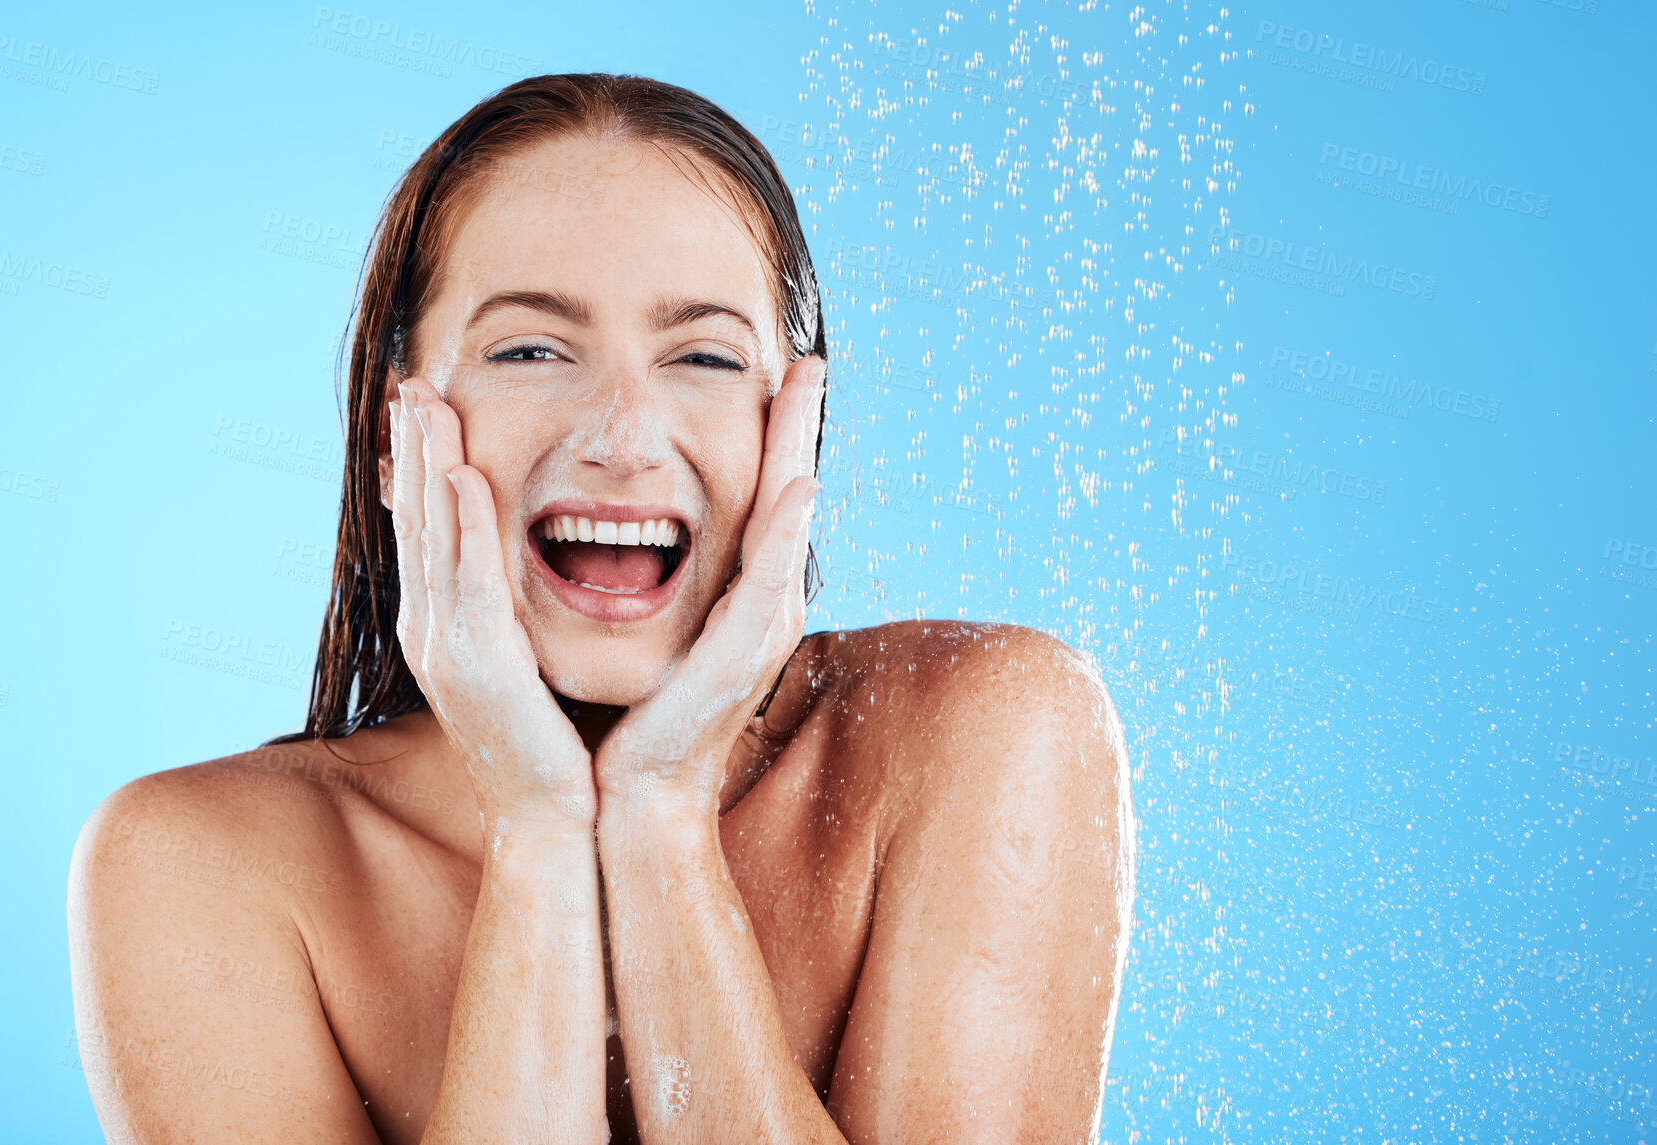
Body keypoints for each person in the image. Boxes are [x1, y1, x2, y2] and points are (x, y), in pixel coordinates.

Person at [67, 73, 1135, 1145]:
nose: (622, 436)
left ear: (794, 429)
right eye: (530, 349)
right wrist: (535, 834)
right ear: (396, 439)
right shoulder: (196, 866)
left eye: (707, 356)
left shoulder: (976, 730)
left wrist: (662, 818)